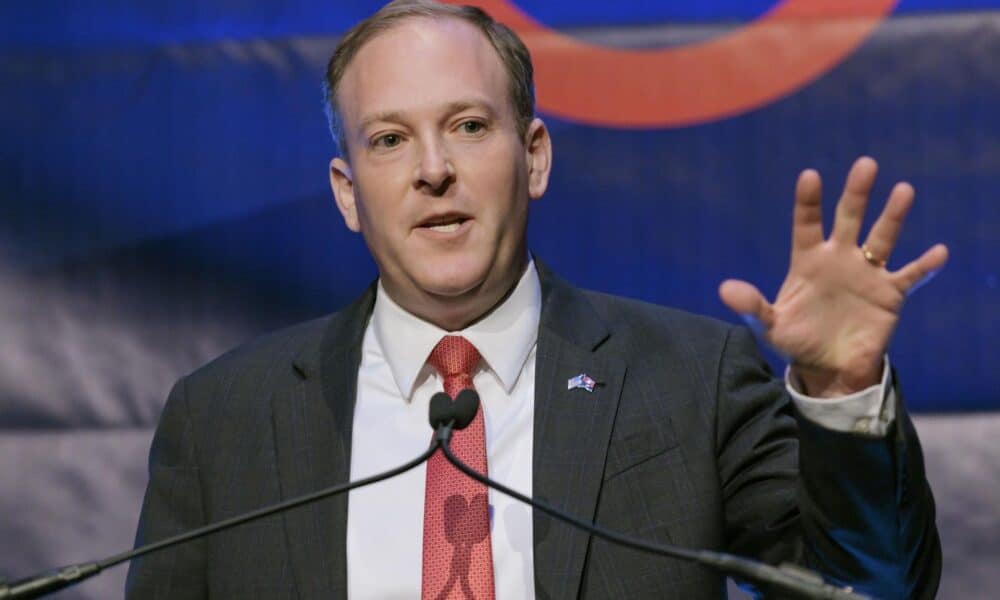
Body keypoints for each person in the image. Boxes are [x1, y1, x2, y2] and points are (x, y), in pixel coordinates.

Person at [126, 1, 946, 598]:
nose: (433, 168)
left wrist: (839, 395)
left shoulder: (691, 380)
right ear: (347, 194)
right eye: (388, 139)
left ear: (536, 156)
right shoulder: (224, 418)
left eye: (470, 126)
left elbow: (868, 594)